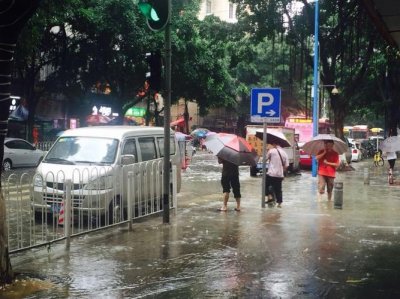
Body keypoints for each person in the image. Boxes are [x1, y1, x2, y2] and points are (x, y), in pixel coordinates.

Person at [265, 142, 289, 208]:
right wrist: (281, 171)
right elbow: (286, 165)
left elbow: (265, 159)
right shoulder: (284, 153)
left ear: (274, 144)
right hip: (279, 175)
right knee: (278, 189)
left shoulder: (271, 151)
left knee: (265, 185)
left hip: (271, 174)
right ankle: (279, 204)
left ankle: (269, 196)